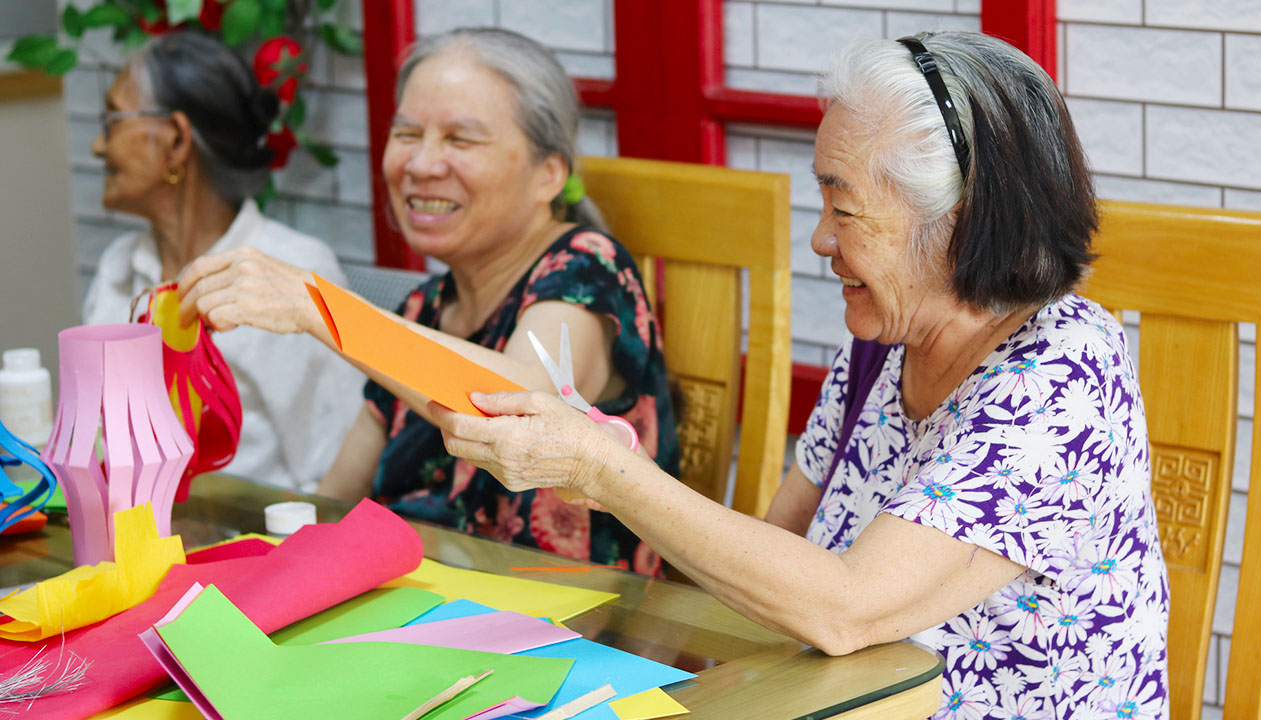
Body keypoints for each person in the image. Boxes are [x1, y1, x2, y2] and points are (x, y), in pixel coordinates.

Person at [425, 31, 1170, 718]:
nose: (819, 238)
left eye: (844, 208)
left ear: (960, 220)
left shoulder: (1063, 376)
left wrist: (607, 473)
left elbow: (848, 607)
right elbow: (772, 554)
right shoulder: (888, 337)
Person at [176, 28, 679, 575]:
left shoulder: (587, 267)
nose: (421, 164)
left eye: (460, 140)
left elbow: (522, 399)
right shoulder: (423, 309)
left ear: (548, 175)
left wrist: (319, 308)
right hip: (422, 622)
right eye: (407, 133)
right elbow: (335, 501)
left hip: (584, 638)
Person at [83, 31, 362, 493]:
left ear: (175, 140)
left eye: (112, 122)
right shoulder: (119, 268)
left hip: (261, 549)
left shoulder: (293, 275)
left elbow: (333, 476)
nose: (98, 146)